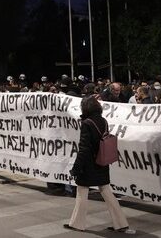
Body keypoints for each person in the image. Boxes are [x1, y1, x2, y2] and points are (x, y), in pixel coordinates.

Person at [65, 96, 129, 232]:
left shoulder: (87, 123)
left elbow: (84, 149)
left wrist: (76, 168)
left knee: (82, 192)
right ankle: (121, 223)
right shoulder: (103, 121)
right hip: (102, 161)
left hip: (89, 165)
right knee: (106, 191)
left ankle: (77, 224)